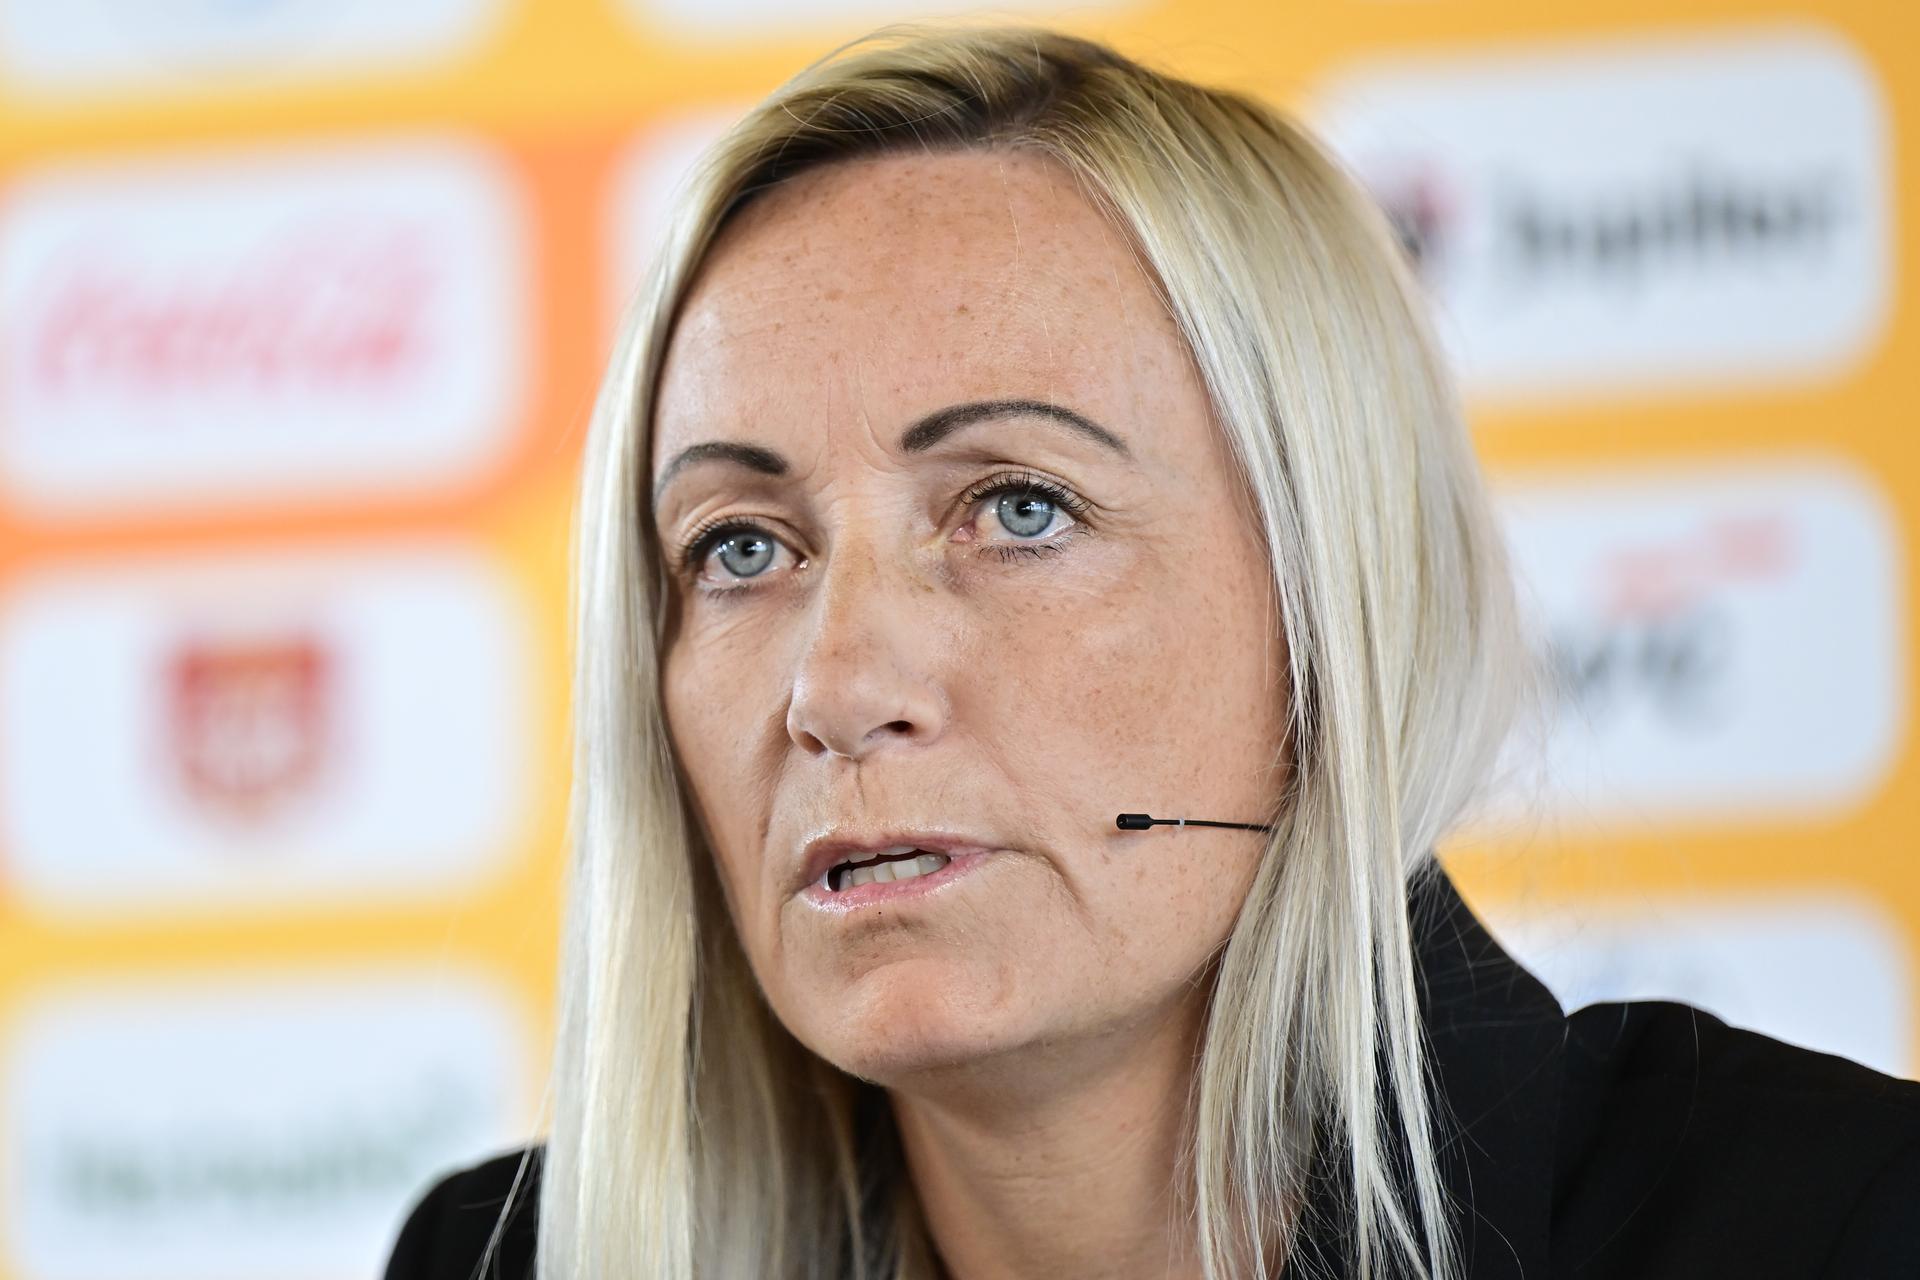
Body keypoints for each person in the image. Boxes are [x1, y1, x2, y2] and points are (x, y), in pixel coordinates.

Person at [381, 21, 1920, 1280]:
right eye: (740, 547)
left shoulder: (1827, 1228)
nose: (837, 690)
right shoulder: (501, 1261)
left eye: (1020, 507)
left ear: (1336, 598)